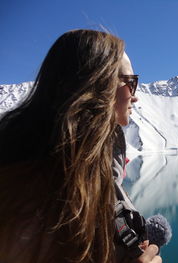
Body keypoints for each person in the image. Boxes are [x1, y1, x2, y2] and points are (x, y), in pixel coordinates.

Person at [0, 29, 162, 263]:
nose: (135, 96)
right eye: (130, 82)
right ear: (98, 85)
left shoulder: (92, 169)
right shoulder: (34, 203)